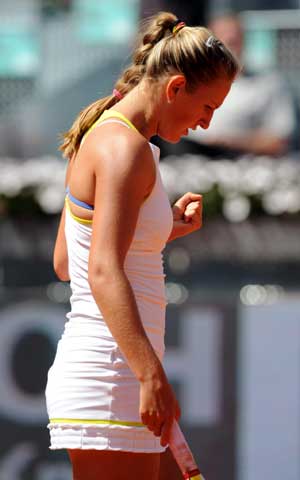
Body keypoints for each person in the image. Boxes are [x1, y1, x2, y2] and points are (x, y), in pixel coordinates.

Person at [45, 11, 239, 480]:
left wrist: (159, 228)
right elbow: (101, 270)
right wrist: (151, 374)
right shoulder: (124, 148)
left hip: (109, 371)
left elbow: (68, 260)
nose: (207, 124)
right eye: (207, 107)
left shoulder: (118, 141)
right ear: (175, 88)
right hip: (113, 374)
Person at [183, 12, 296, 158]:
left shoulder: (269, 83)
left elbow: (280, 141)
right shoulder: (188, 83)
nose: (227, 48)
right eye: (219, 42)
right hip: (187, 161)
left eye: (233, 41)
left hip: (244, 167)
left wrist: (226, 142)